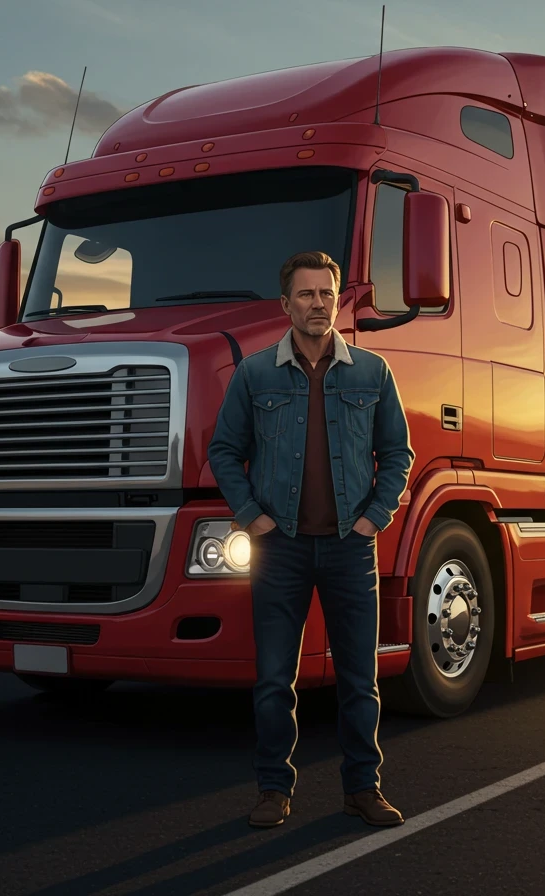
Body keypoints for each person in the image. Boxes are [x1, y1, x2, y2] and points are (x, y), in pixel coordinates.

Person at [207, 250, 415, 829]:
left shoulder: (373, 373)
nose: (317, 304)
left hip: (352, 547)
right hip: (282, 550)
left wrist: (374, 517)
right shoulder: (254, 375)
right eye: (305, 295)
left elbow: (397, 454)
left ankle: (362, 789)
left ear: (337, 299)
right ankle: (274, 791)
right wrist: (254, 519)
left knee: (359, 679)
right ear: (285, 305)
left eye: (326, 294)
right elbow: (223, 452)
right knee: (275, 680)